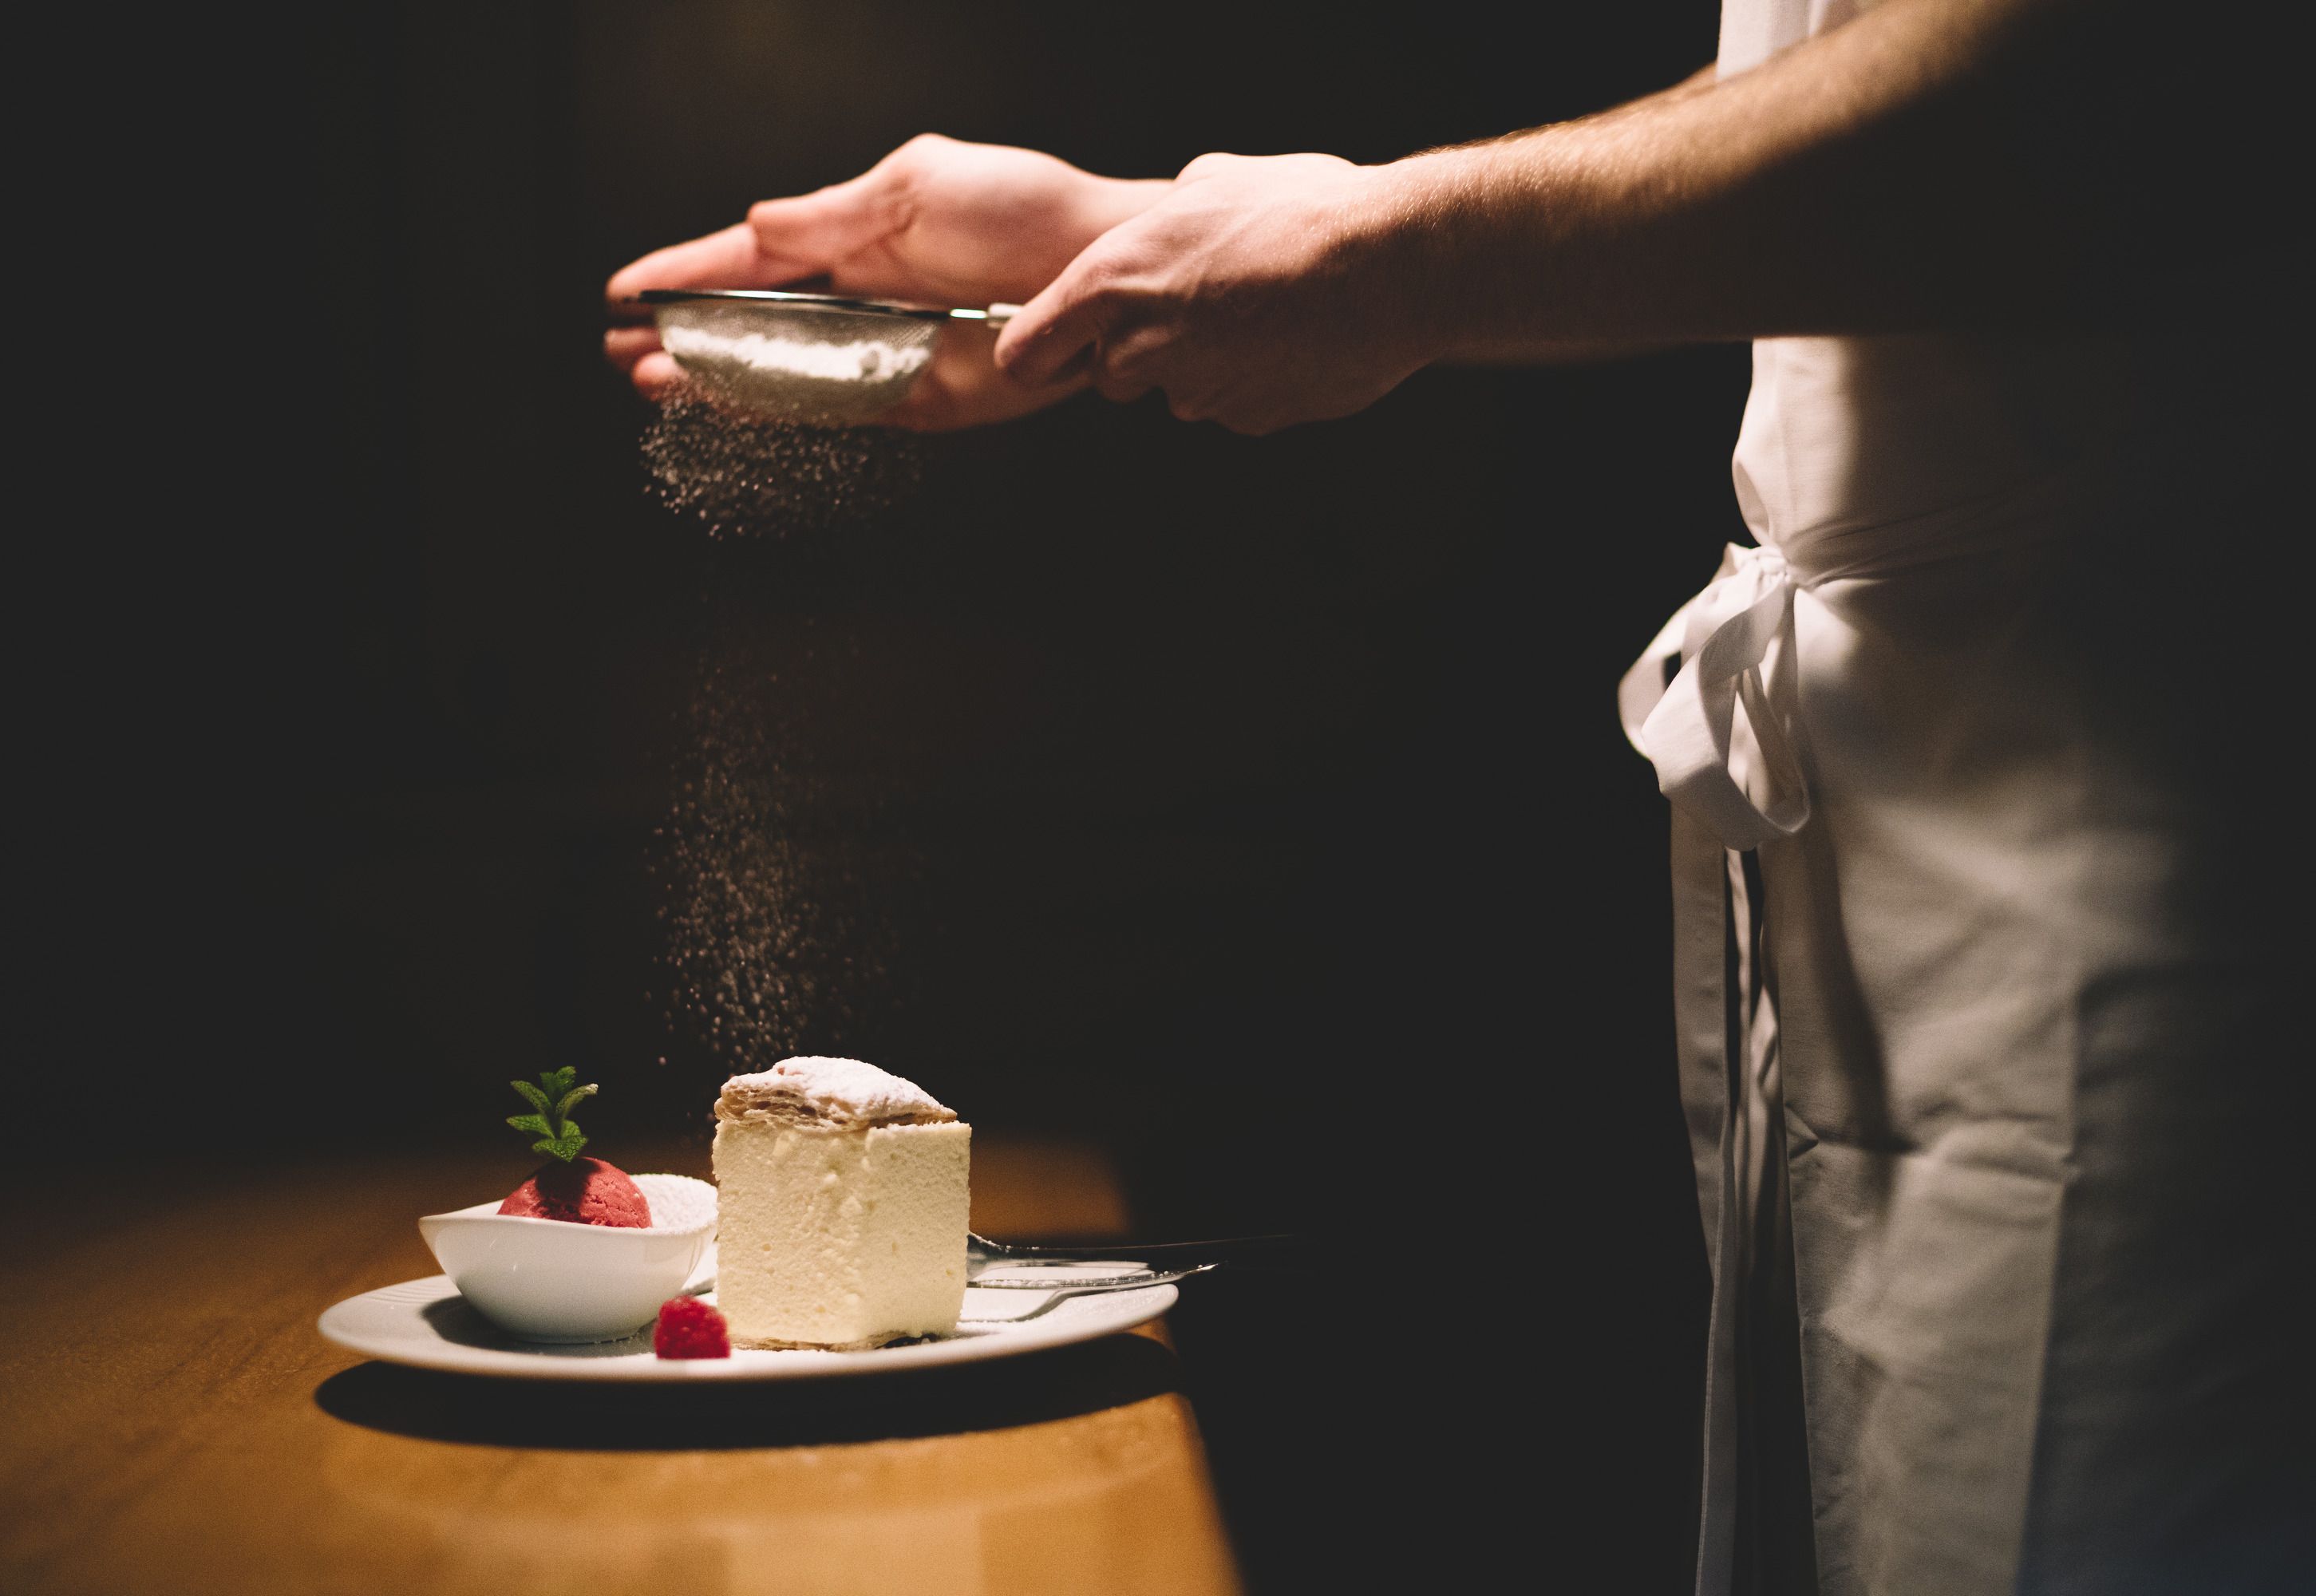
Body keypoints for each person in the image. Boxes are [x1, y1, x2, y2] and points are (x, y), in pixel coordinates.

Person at [607, 1, 2308, 1590]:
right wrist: (1154, 239)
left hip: (2131, 778)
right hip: (1891, 797)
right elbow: (1836, 118)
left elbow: (2071, 96)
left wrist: (1378, 251)